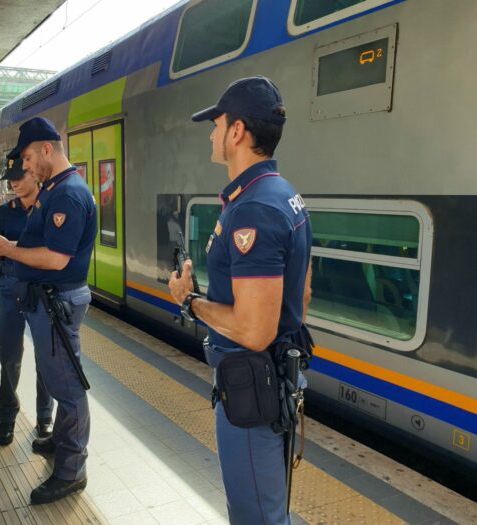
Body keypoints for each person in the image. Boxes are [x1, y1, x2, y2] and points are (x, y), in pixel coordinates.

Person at [168, 77, 313, 525]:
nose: (211, 133)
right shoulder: (284, 195)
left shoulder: (253, 208)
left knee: (255, 517)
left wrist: (189, 300)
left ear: (237, 132)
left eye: (216, 123)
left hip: (251, 390)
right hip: (271, 379)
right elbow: (302, 292)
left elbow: (254, 331)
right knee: (269, 511)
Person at [0, 117, 97, 504]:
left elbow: (56, 258)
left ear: (47, 149)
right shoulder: (55, 189)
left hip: (58, 302)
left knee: (67, 388)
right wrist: (7, 243)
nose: (26, 166)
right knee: (59, 380)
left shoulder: (65, 195)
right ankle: (62, 445)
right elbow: (41, 244)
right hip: (49, 302)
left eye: (29, 157)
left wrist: (7, 250)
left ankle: (71, 471)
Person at [0, 157, 54, 447]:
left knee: (46, 357)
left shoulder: (51, 208)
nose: (13, 183)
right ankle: (7, 418)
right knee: (9, 358)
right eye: (10, 178)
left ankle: (45, 417)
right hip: (10, 287)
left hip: (42, 290)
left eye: (19, 176)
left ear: (34, 174)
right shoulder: (4, 212)